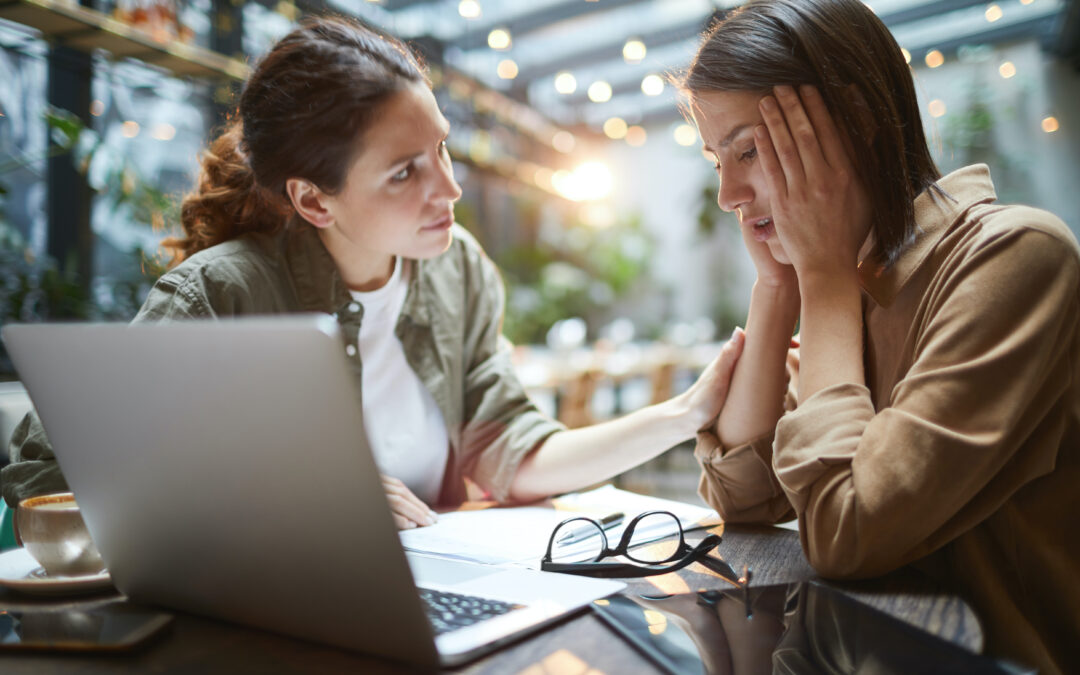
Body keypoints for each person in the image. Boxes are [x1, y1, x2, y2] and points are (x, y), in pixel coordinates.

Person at [1, 17, 743, 532]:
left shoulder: (459, 272)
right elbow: (43, 474)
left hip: (428, 594)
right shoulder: (222, 291)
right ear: (314, 200)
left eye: (443, 150)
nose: (448, 189)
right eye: (403, 173)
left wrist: (680, 415)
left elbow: (512, 448)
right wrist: (290, 499)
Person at [680, 1, 1079, 673]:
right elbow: (742, 498)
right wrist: (780, 290)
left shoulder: (1015, 255)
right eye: (718, 158)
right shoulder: (858, 276)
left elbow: (847, 531)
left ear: (855, 123)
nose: (727, 193)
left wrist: (825, 279)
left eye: (748, 150)